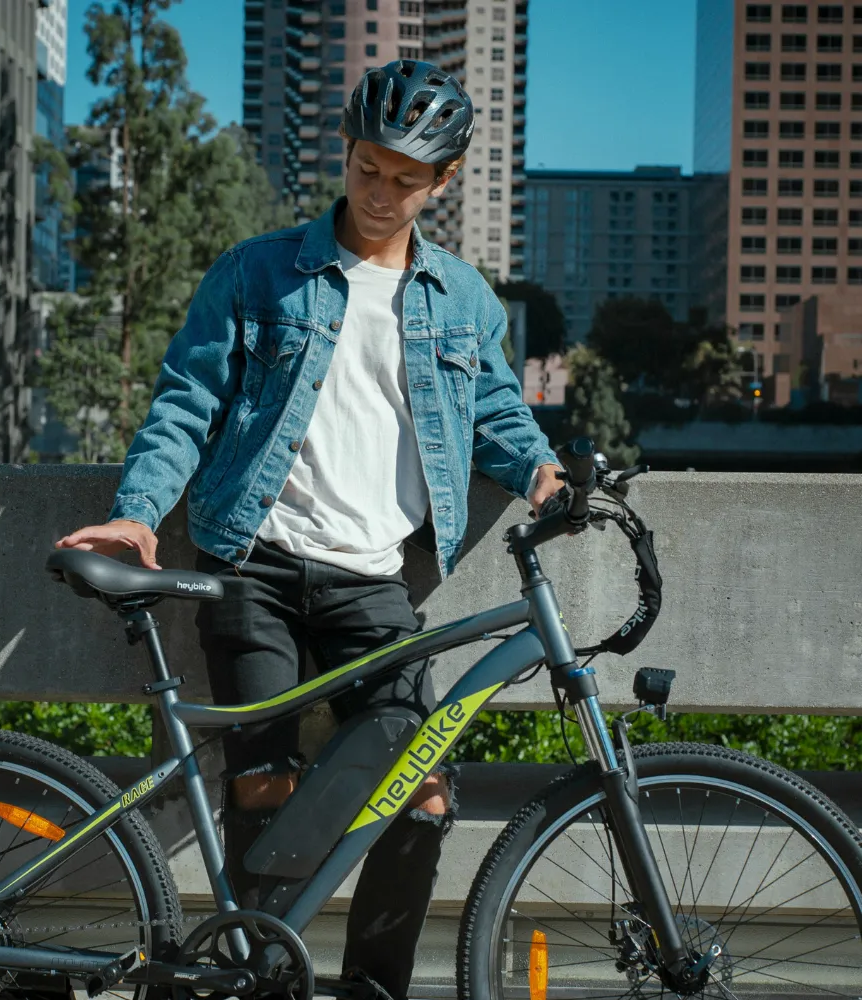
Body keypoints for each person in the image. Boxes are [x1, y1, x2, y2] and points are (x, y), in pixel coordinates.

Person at [56, 60, 562, 1000]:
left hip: (375, 584)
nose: (380, 193)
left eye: (405, 179)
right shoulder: (259, 271)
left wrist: (543, 471)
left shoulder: (464, 301)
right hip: (252, 566)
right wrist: (137, 511)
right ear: (348, 153)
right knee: (262, 789)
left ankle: (373, 989)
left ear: (441, 183)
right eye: (367, 168)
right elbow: (186, 401)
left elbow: (498, 411)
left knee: (422, 797)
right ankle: (259, 985)